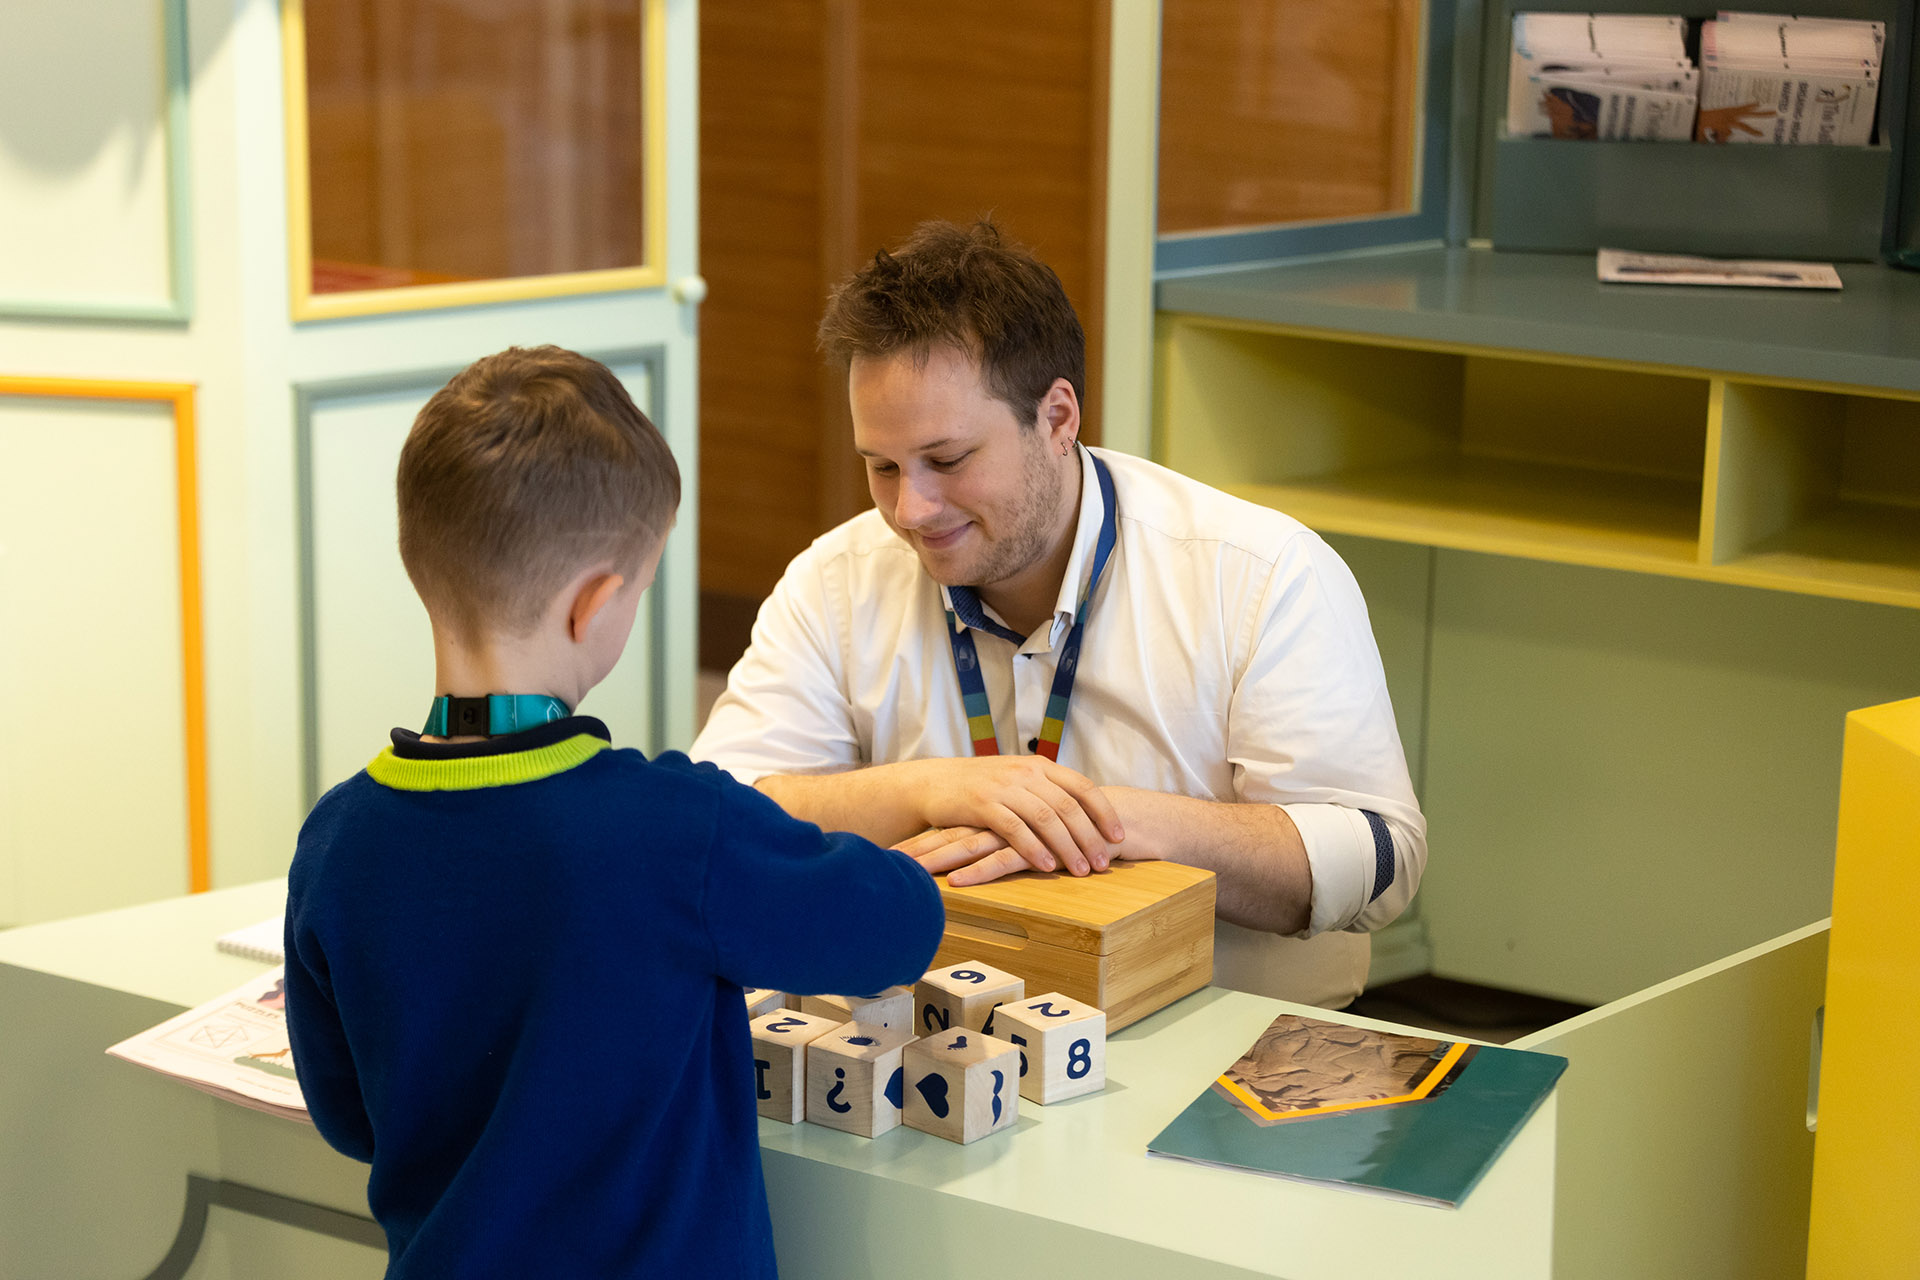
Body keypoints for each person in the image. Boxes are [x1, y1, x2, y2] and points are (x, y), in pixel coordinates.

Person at [284, 346, 945, 1279]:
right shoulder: (677, 827)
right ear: (596, 605)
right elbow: (897, 925)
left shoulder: (337, 839)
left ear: (416, 562)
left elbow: (350, 1117)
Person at [692, 221, 1425, 1009]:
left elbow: (1381, 863)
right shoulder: (837, 578)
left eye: (947, 460)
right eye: (882, 467)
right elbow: (713, 823)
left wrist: (1116, 824)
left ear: (1059, 419)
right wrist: (930, 789)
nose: (911, 509)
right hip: (937, 1031)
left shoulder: (1261, 573)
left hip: (1216, 1039)